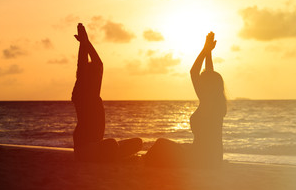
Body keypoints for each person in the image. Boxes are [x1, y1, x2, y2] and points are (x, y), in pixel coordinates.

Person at [144, 32, 227, 168]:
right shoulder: (217, 104)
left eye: (203, 81)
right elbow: (209, 72)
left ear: (207, 86)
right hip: (214, 157)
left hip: (200, 157)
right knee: (177, 147)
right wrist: (208, 52)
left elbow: (194, 72)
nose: (199, 81)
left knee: (160, 143)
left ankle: (146, 160)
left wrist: (205, 49)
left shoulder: (207, 102)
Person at [72, 23, 142, 162]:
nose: (99, 78)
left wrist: (87, 42)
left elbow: (99, 64)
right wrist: (84, 43)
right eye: (96, 76)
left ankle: (113, 154)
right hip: (85, 148)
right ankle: (113, 155)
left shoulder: (95, 96)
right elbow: (82, 66)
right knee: (111, 145)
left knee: (138, 142)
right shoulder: (82, 96)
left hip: (98, 147)